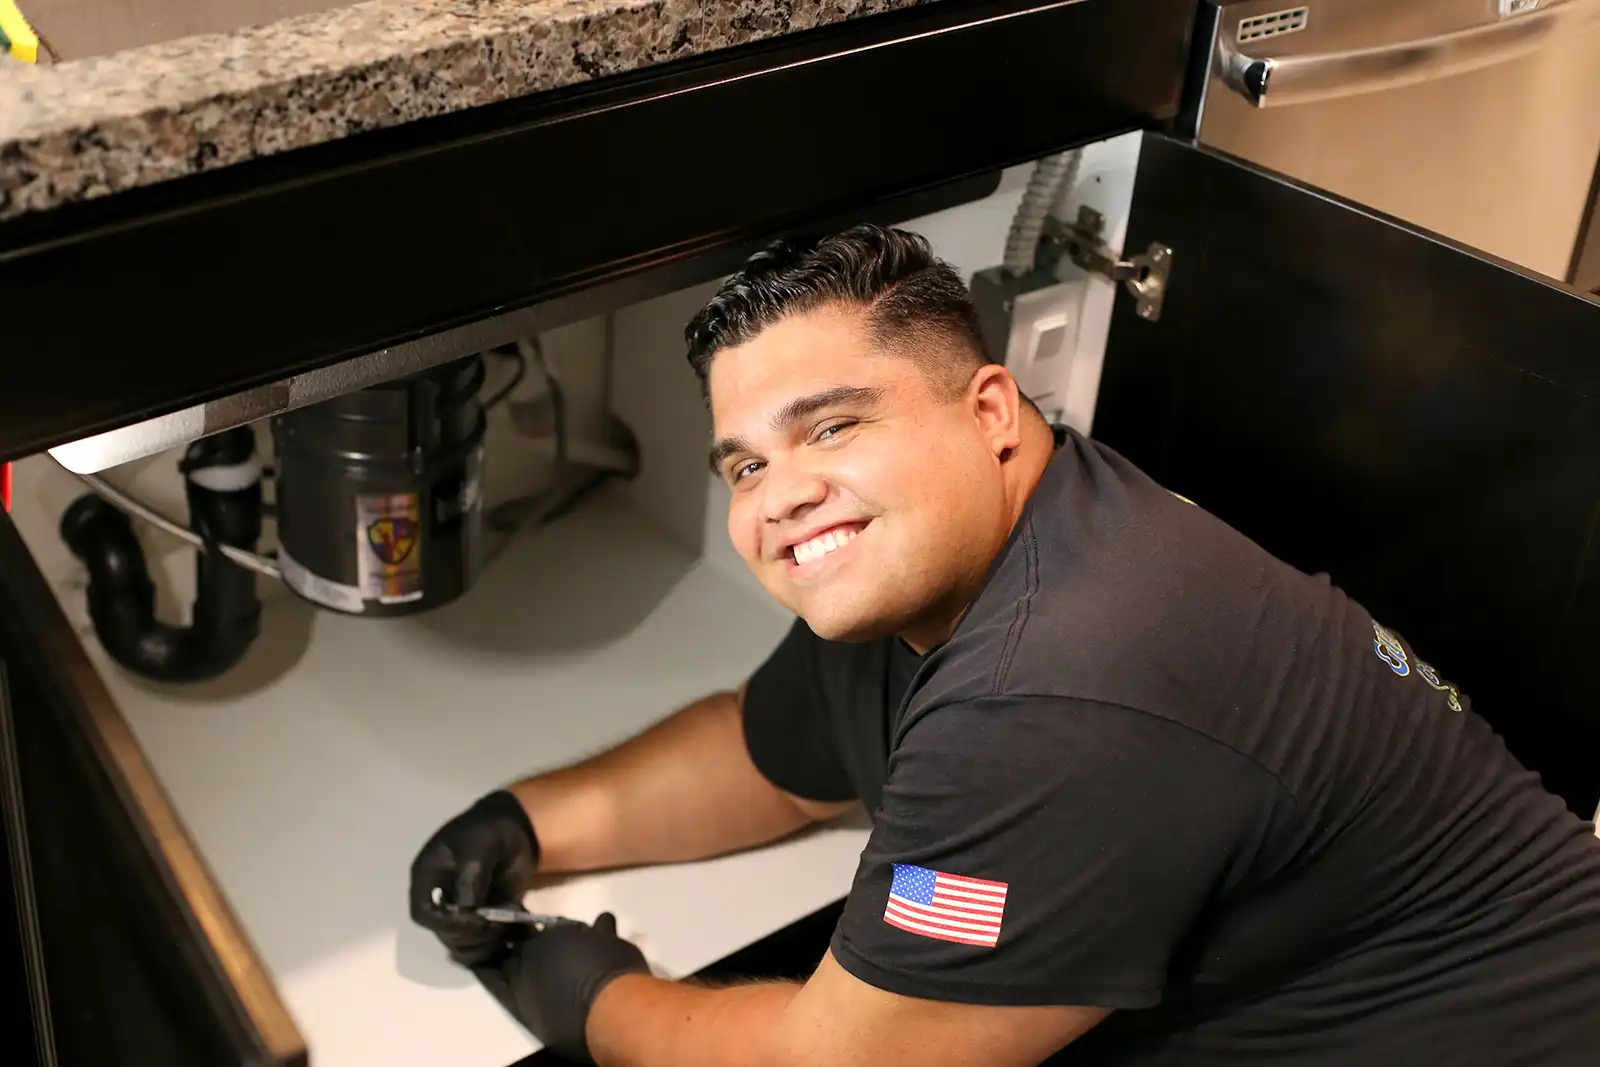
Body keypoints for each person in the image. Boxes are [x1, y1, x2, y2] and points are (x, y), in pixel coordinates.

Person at [409, 224, 1600, 1066]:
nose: (781, 493)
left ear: (987, 410)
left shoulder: (1064, 684)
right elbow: (772, 753)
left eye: (832, 424)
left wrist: (591, 1002)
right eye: (747, 463)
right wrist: (521, 823)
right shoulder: (966, 547)